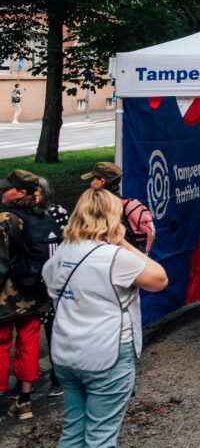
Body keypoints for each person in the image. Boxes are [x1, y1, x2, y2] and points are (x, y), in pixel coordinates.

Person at [42, 188, 168, 444]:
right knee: (101, 436)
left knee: (74, 430)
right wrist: (121, 241)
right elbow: (159, 278)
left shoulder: (60, 255)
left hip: (66, 354)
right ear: (113, 218)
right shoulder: (115, 258)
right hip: (106, 354)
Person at [1, 169, 59, 420]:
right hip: (34, 292)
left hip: (6, 297)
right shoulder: (41, 215)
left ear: (21, 192)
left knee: (2, 345)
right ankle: (24, 401)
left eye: (8, 188)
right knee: (29, 344)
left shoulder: (6, 218)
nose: (3, 191)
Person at [36, 176, 69, 398]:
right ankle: (56, 376)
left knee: (59, 327)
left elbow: (68, 241)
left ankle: (60, 377)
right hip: (38, 280)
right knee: (49, 327)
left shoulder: (58, 213)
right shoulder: (28, 217)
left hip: (61, 278)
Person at [81, 162, 155, 254]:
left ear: (102, 182)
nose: (90, 182)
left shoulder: (101, 207)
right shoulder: (122, 204)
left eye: (93, 178)